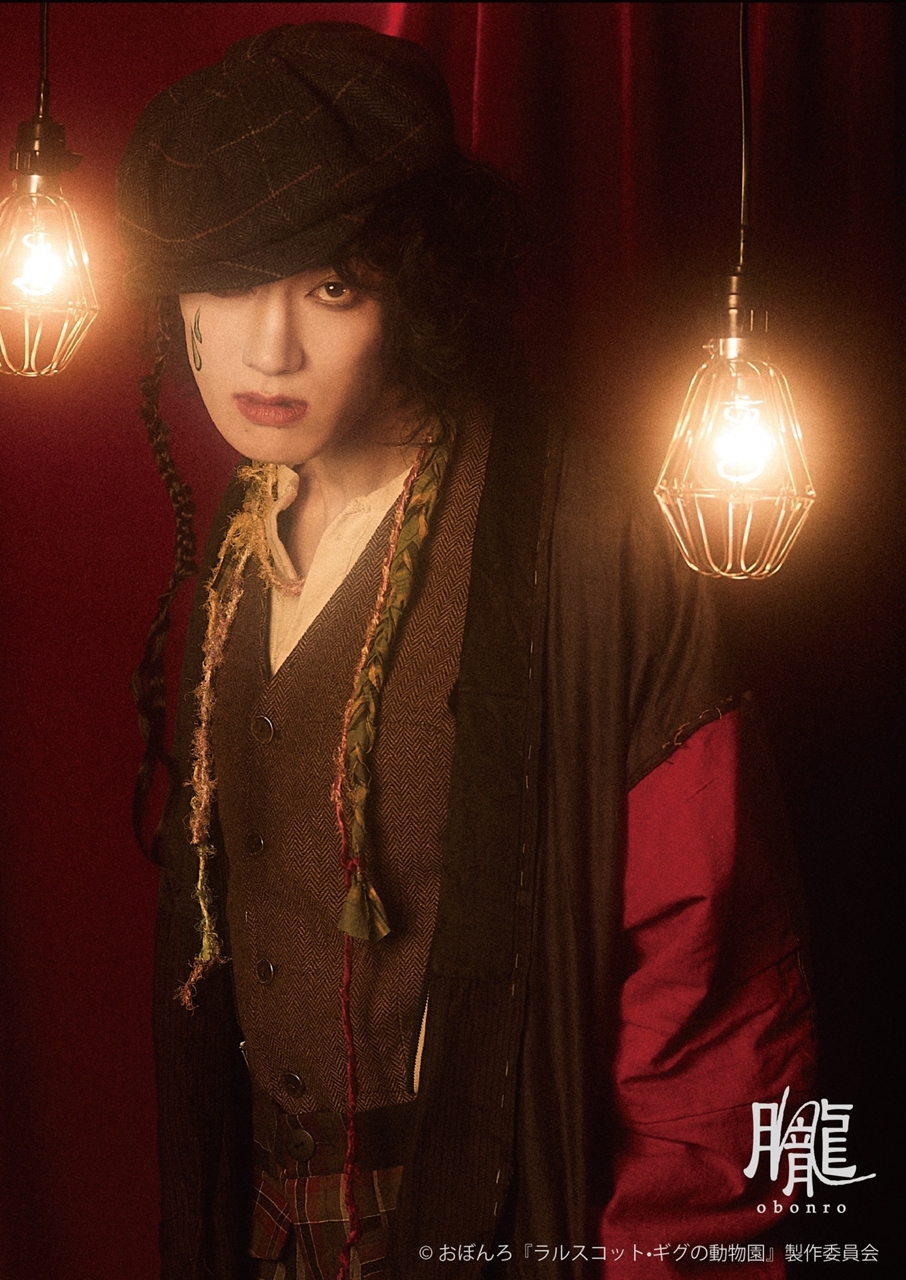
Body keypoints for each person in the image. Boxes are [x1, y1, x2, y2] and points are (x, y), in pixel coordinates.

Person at [117, 22, 815, 1280]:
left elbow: (711, 1004)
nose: (269, 348)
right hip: (265, 1221)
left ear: (418, 282)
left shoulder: (587, 544)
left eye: (333, 285)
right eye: (228, 280)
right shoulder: (241, 526)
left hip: (492, 1210)